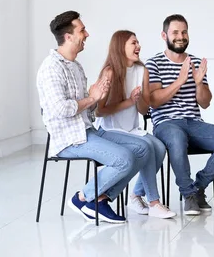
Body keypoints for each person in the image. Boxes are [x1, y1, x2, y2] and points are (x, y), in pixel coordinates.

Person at [37, 11, 149, 224]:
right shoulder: (51, 68)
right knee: (124, 158)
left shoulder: (76, 67)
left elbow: (89, 112)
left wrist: (97, 98)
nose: (86, 34)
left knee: (142, 149)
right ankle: (82, 198)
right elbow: (61, 109)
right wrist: (91, 98)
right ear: (69, 37)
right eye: (82, 30)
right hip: (68, 139)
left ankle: (99, 199)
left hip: (87, 131)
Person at [147, 14, 214, 215]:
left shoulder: (196, 62)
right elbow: (153, 101)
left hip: (194, 122)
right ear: (164, 35)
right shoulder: (153, 63)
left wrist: (198, 82)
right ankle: (188, 194)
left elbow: (205, 103)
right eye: (175, 32)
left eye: (184, 32)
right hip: (166, 123)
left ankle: (198, 187)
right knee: (177, 139)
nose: (181, 36)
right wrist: (180, 80)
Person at [95, 30, 176, 219]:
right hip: (109, 129)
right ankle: (154, 202)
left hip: (131, 129)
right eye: (133, 43)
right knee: (147, 146)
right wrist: (129, 101)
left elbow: (142, 110)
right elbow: (99, 111)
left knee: (160, 147)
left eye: (138, 42)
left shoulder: (142, 70)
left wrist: (140, 100)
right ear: (120, 46)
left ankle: (135, 195)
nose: (138, 46)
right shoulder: (110, 72)